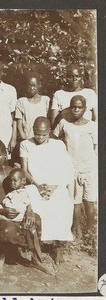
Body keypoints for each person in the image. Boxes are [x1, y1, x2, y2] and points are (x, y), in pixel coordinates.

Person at [0, 141, 45, 274]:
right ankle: (1, 257)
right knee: (8, 228)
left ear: (5, 156)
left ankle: (35, 258)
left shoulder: (10, 172)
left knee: (36, 219)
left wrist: (29, 210)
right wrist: (0, 211)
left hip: (15, 210)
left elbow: (24, 192)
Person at [20, 117, 74, 264]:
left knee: (63, 204)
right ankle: (37, 245)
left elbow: (67, 169)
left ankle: (57, 247)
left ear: (50, 131)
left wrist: (54, 186)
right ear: (33, 129)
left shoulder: (58, 145)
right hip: (34, 184)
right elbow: (24, 171)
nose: (40, 137)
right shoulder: (26, 144)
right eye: (37, 134)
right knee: (35, 203)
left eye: (44, 134)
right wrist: (37, 186)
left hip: (56, 185)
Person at [53, 95, 98, 242]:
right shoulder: (64, 123)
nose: (76, 109)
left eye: (79, 107)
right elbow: (54, 138)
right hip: (72, 169)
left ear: (85, 109)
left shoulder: (92, 126)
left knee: (89, 202)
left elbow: (97, 147)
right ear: (70, 108)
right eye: (73, 106)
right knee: (75, 202)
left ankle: (91, 232)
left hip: (89, 169)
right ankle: (77, 229)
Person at [0, 168, 38, 250]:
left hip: (17, 217)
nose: (12, 183)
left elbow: (28, 203)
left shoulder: (24, 192)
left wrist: (28, 210)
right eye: (10, 181)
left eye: (15, 181)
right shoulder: (12, 193)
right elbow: (4, 204)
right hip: (10, 216)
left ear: (23, 181)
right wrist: (2, 209)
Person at [50, 64, 97, 128]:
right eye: (70, 76)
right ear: (66, 78)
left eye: (77, 76)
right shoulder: (59, 94)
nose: (74, 79)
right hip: (66, 133)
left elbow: (96, 119)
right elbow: (54, 122)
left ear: (81, 77)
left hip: (86, 133)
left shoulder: (90, 93)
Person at [15, 73, 50, 140]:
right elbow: (19, 125)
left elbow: (49, 121)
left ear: (39, 85)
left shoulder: (46, 100)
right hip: (28, 139)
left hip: (43, 139)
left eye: (34, 85)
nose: (31, 88)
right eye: (29, 86)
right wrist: (24, 139)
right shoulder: (21, 101)